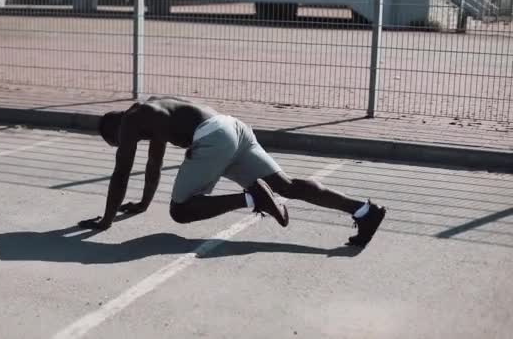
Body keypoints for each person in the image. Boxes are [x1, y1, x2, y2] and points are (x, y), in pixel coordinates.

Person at [79, 96, 386, 247]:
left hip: (212, 137)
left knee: (181, 211)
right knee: (287, 185)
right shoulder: (152, 110)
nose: (126, 144)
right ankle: (364, 211)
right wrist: (143, 204)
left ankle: (251, 199)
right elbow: (153, 164)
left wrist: (106, 221)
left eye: (119, 142)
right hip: (234, 128)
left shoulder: (133, 121)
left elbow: (123, 172)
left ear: (118, 128)